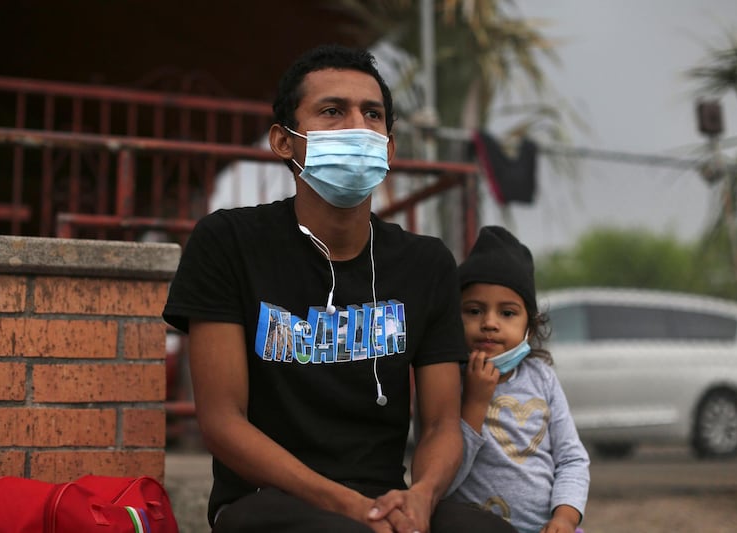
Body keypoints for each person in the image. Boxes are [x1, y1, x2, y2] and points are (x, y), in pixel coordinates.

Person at [162, 44, 517, 533]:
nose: (357, 126)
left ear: (390, 149)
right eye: (332, 111)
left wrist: (421, 496)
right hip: (266, 502)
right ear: (284, 142)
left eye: (372, 114)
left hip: (383, 498)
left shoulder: (425, 262)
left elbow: (440, 425)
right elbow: (223, 423)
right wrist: (351, 507)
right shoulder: (228, 243)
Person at [445, 226, 590, 533]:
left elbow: (572, 459)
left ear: (531, 328)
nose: (489, 323)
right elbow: (441, 482)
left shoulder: (543, 379)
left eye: (507, 313)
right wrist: (474, 402)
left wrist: (565, 517)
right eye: (474, 310)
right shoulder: (445, 381)